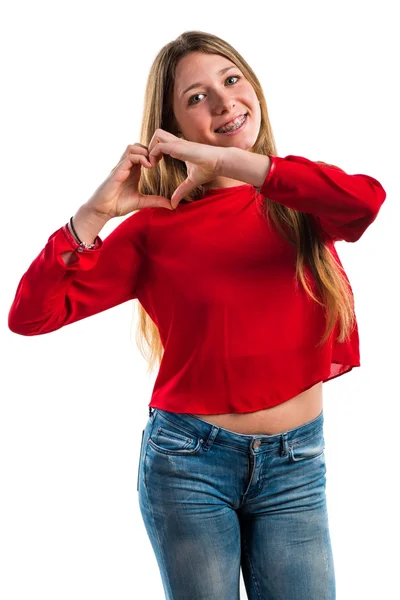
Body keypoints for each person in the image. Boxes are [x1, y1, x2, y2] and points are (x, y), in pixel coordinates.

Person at [8, 30, 386, 600]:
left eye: (231, 81)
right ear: (173, 130)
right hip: (189, 466)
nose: (223, 101)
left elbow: (367, 203)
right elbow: (31, 316)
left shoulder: (297, 195)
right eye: (195, 97)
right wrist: (92, 214)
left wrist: (240, 164)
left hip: (297, 462)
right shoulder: (153, 231)